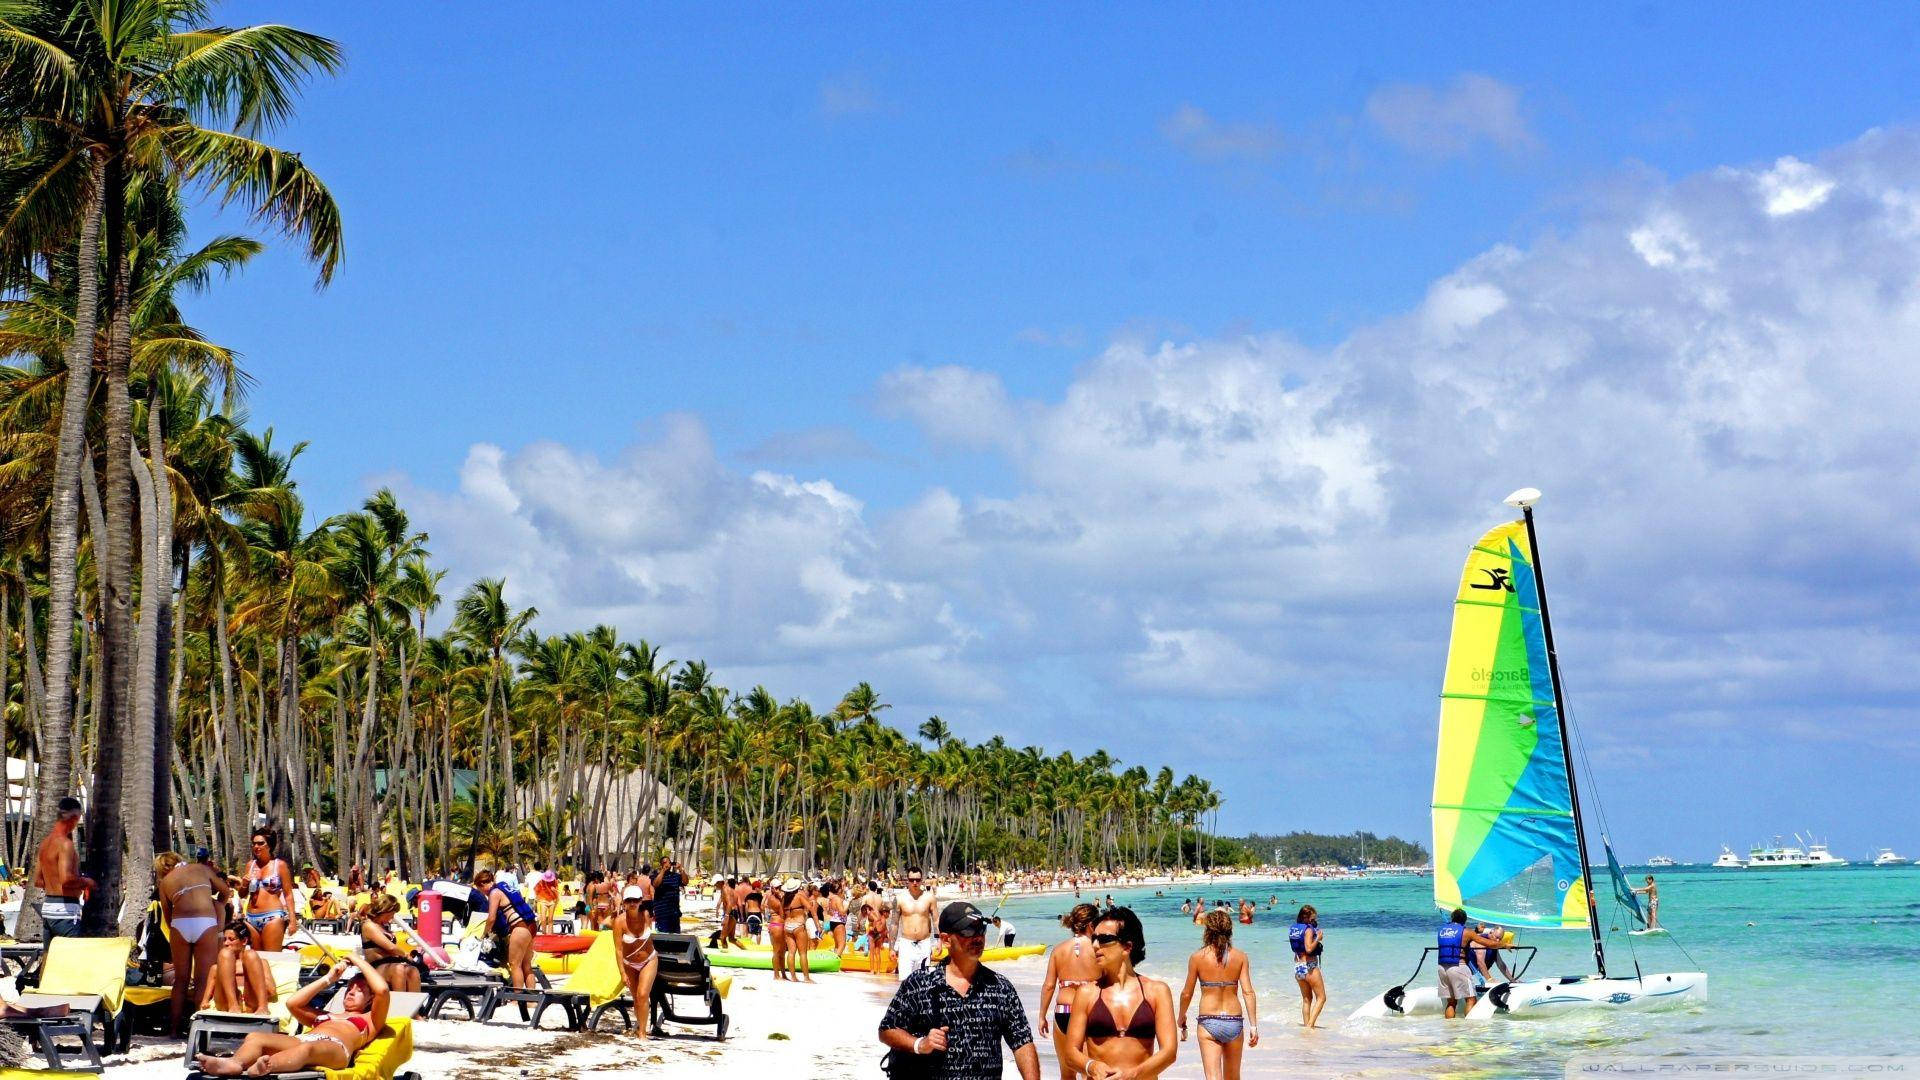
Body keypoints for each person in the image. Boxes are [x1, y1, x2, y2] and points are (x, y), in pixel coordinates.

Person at [879, 901, 1040, 1080]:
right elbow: (887, 1030)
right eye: (969, 931)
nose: (978, 937)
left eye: (981, 930)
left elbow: (1022, 1042)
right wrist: (920, 1044)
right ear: (946, 939)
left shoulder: (1000, 988)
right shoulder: (920, 984)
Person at [196, 954, 389, 1076]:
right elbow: (292, 1003)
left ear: (371, 999)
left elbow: (382, 990)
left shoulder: (370, 1020)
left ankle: (268, 1066)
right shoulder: (324, 1015)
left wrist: (356, 960)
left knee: (308, 1049)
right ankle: (234, 1064)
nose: (351, 992)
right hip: (304, 1039)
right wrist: (329, 978)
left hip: (336, 1049)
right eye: (349, 988)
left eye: (360, 989)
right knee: (255, 1037)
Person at [1063, 907, 1177, 1080]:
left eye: (1104, 939)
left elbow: (1169, 1052)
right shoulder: (1087, 993)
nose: (1094, 945)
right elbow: (1070, 1053)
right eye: (1094, 938)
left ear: (1127, 946)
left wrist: (1133, 1074)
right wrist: (1091, 1066)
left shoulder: (1157, 991)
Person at [1179, 909, 1259, 1080]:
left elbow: (1187, 993)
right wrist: (1253, 1025)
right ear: (1230, 930)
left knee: (1213, 1077)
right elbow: (1248, 992)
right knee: (1233, 1077)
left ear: (1207, 930)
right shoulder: (1241, 957)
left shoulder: (1197, 957)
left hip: (1209, 1020)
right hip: (1234, 1021)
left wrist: (1181, 1017)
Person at [157, 850, 230, 1034]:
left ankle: (173, 1030)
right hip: (205, 922)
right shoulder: (200, 868)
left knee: (180, 980)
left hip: (180, 925)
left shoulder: (165, 883)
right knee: (202, 980)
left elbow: (168, 917)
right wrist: (218, 906)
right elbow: (226, 891)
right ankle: (197, 1031)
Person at [1036, 902, 1100, 1080]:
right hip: (1089, 1013)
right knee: (1091, 1073)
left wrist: (1042, 1016)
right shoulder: (1098, 950)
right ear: (1091, 924)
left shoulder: (1058, 950)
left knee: (1067, 1073)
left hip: (1062, 1013)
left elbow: (1048, 985)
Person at [32, 796, 93, 951]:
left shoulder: (45, 843)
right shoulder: (65, 844)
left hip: (48, 908)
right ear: (73, 818)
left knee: (49, 957)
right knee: (71, 958)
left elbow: (38, 881)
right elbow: (66, 879)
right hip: (65, 911)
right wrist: (87, 882)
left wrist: (54, 885)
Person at [1436, 908, 1510, 1019]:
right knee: (1471, 999)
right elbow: (1490, 944)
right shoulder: (1467, 932)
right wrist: (1504, 945)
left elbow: (1458, 937)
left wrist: (1477, 930)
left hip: (1442, 968)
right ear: (1464, 920)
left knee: (1451, 1002)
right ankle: (1470, 1030)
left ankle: (1449, 1030)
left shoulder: (1442, 930)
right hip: (1458, 967)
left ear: (1452, 918)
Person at [475, 867, 537, 989]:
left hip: (520, 928)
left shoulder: (494, 893)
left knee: (515, 965)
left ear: (483, 884)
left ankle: (517, 998)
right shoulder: (505, 887)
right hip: (531, 926)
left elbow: (491, 918)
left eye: (480, 890)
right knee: (526, 965)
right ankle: (532, 999)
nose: (483, 893)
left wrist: (484, 934)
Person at [613, 885, 658, 1038]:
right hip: (629, 963)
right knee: (636, 998)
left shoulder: (646, 915)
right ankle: (640, 1026)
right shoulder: (619, 922)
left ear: (640, 901)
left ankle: (642, 1033)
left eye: (636, 900)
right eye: (629, 900)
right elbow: (618, 950)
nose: (632, 903)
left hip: (649, 960)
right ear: (624, 902)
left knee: (643, 994)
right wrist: (622, 973)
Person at [208, 918, 276, 1014]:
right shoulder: (219, 964)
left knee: (250, 954)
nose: (226, 943)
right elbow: (208, 994)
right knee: (225, 953)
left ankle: (263, 1007)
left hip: (251, 1000)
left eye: (231, 939)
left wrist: (250, 976)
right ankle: (233, 1004)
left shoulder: (260, 963)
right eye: (224, 939)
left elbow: (271, 991)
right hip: (225, 1002)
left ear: (244, 941)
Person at [243, 829, 296, 952]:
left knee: (271, 959)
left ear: (269, 845)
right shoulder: (250, 865)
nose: (256, 846)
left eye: (260, 843)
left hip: (272, 916)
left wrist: (293, 920)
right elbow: (242, 894)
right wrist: (244, 884)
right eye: (254, 843)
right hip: (251, 918)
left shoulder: (280, 865)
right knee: (256, 960)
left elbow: (288, 894)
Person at [360, 893, 424, 993]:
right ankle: (398, 1005)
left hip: (390, 963)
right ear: (385, 910)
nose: (392, 917)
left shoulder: (382, 925)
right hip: (376, 966)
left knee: (413, 971)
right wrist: (406, 955)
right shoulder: (369, 925)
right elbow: (391, 948)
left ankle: (415, 1006)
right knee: (398, 969)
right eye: (391, 914)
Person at [893, 866, 937, 980]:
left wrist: (939, 940)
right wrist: (892, 948)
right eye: (912, 880)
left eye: (917, 880)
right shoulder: (900, 899)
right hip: (906, 944)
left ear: (921, 880)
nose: (915, 883)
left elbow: (936, 920)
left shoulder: (929, 897)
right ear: (907, 880)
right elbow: (894, 924)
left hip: (924, 943)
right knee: (905, 981)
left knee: (923, 981)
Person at [1287, 905, 1325, 1029]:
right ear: (1307, 917)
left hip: (1298, 965)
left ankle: (1306, 1026)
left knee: (1306, 999)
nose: (1314, 920)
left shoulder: (1294, 928)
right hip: (1310, 966)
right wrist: (1318, 938)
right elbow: (1309, 949)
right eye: (1313, 918)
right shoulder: (1308, 930)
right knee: (1321, 998)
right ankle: (1309, 1026)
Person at [651, 857, 684, 933]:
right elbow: (655, 884)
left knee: (676, 939)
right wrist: (663, 870)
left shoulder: (676, 876)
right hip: (662, 913)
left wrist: (681, 869)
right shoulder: (655, 876)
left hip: (674, 913)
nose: (667, 864)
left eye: (669, 862)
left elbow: (685, 882)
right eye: (665, 863)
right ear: (661, 865)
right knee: (663, 938)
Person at [824, 881, 849, 955]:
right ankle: (835, 961)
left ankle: (834, 961)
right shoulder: (837, 899)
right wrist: (848, 905)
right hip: (839, 922)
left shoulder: (831, 899)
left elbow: (829, 911)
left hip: (833, 921)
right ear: (839, 889)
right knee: (842, 945)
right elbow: (842, 912)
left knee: (837, 945)